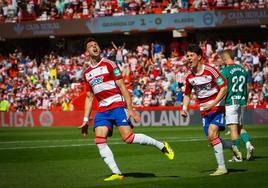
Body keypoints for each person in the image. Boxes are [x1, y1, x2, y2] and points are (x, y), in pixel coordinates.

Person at [79, 38, 174, 181]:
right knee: (99, 139)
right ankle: (117, 173)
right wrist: (86, 119)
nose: (95, 47)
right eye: (91, 46)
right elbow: (89, 97)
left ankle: (161, 145)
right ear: (87, 52)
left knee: (128, 138)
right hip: (103, 109)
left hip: (117, 104)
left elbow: (123, 87)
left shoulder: (109, 64)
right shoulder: (87, 73)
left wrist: (130, 109)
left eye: (96, 45)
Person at [181, 44, 239, 176]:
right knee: (212, 139)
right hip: (204, 110)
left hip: (217, 107)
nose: (188, 58)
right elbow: (187, 94)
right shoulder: (190, 77)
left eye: (191, 55)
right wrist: (184, 108)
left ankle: (222, 168)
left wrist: (213, 104)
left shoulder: (211, 71)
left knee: (213, 134)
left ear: (199, 57)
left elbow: (224, 88)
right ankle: (231, 145)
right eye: (187, 56)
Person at [219, 49, 255, 162]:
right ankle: (248, 144)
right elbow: (248, 87)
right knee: (240, 127)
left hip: (231, 102)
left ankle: (237, 156)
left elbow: (222, 88)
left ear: (225, 58)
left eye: (222, 59)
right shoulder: (243, 70)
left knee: (233, 129)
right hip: (241, 101)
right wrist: (245, 98)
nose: (221, 61)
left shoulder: (225, 71)